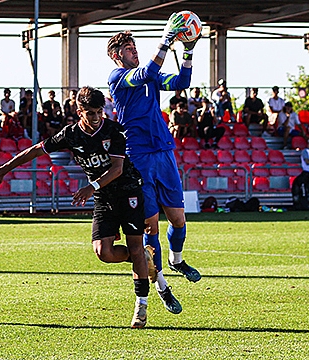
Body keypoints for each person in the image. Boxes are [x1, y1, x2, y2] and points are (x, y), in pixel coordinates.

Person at [0, 86, 155, 328]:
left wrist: (91, 186)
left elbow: (116, 169)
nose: (96, 118)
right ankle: (142, 258)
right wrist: (3, 169)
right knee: (103, 253)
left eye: (99, 112)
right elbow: (35, 150)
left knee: (135, 246)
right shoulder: (70, 134)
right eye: (90, 113)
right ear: (79, 111)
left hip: (128, 192)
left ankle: (141, 307)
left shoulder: (114, 130)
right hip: (104, 196)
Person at [107, 19, 201, 315]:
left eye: (135, 47)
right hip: (138, 158)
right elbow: (146, 71)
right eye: (128, 48)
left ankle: (176, 259)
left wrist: (188, 50)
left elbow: (181, 83)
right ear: (116, 55)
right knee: (151, 226)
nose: (133, 51)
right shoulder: (118, 77)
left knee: (178, 219)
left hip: (164, 152)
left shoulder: (149, 76)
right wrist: (166, 39)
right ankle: (161, 287)